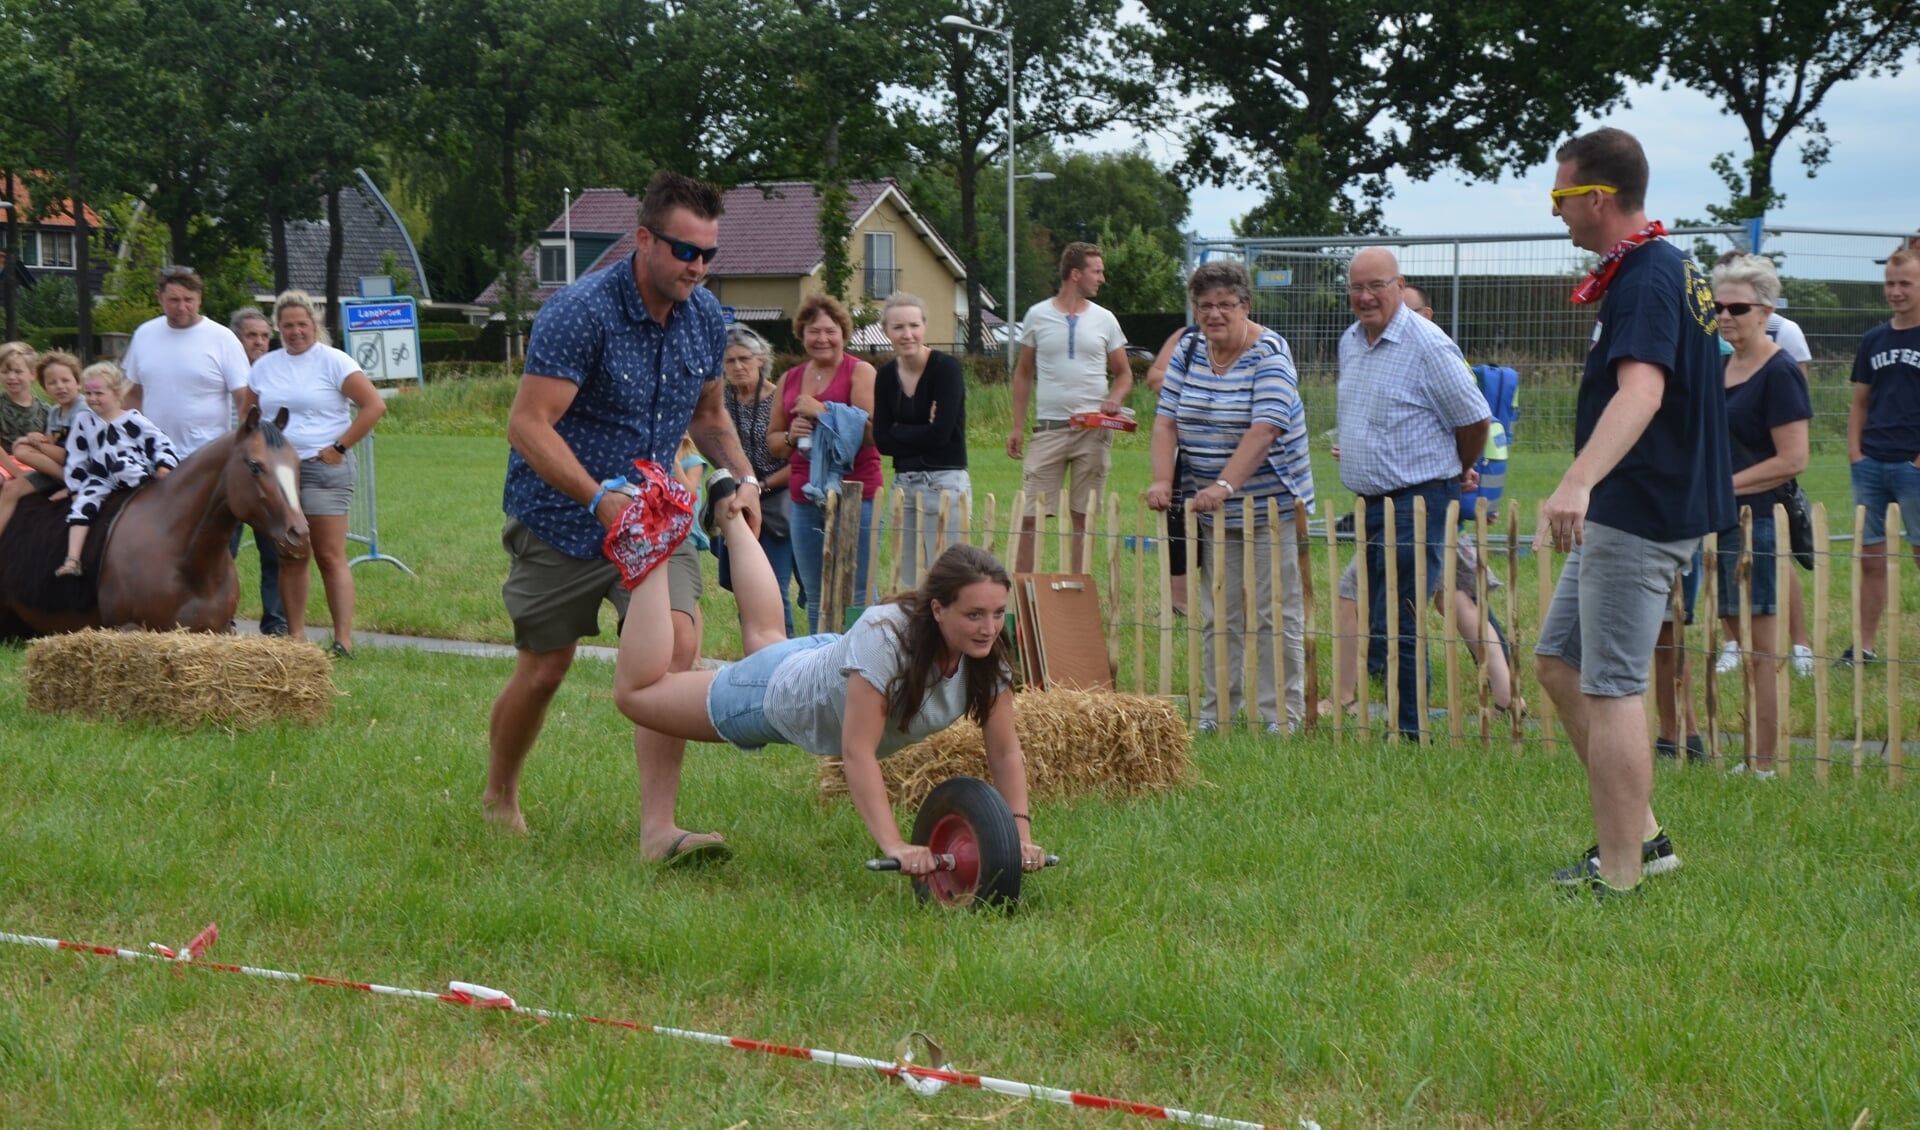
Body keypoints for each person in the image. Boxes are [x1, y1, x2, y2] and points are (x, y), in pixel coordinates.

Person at [482, 169, 760, 849]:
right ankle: (499, 793)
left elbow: (710, 415)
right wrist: (600, 499)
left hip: (657, 519)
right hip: (562, 516)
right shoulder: (581, 311)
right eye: (683, 250)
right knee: (546, 667)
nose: (696, 267)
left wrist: (740, 475)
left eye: (708, 254)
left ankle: (659, 831)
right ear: (643, 239)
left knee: (678, 648)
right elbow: (529, 425)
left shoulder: (704, 318)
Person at [609, 468, 1047, 874]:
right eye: (974, 615)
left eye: (997, 613)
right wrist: (893, 843)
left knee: (766, 638)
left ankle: (729, 511)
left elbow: (1005, 753)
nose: (989, 628)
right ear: (938, 609)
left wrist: (1019, 837)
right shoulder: (889, 640)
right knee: (638, 695)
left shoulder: (988, 658)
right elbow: (857, 752)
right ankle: (650, 547)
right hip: (777, 696)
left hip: (823, 660)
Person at [1536, 127, 1734, 896]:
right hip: (1641, 500)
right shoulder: (1661, 268)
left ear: (1596, 197)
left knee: (1611, 686)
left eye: (1560, 196)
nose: (1555, 212)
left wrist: (1577, 482)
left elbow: (1644, 392)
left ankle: (1620, 877)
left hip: (1639, 506)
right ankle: (1644, 838)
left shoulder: (1651, 277)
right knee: (1559, 664)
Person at [1322, 285, 1520, 722]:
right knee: (1455, 597)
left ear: (1424, 314)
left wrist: (1456, 469)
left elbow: (1470, 424)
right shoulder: (1383, 353)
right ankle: (1509, 698)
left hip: (1422, 504)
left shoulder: (1431, 352)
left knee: (1364, 595)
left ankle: (1350, 697)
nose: (1384, 317)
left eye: (1399, 308)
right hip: (1431, 502)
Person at [1146, 260, 1314, 733]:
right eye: (1205, 306)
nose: (1214, 314)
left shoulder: (1271, 355)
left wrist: (1224, 485)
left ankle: (1280, 714)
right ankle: (1219, 711)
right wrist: (1163, 480)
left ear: (1246, 306)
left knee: (1273, 610)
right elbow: (1165, 421)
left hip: (1270, 503)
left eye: (1225, 304)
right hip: (1211, 509)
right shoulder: (1190, 349)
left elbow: (1265, 430)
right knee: (1219, 610)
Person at [1710, 253, 1812, 778]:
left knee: (1765, 650)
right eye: (1718, 305)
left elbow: (1793, 458)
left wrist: (1720, 487)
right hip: (1721, 521)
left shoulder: (1779, 372)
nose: (1726, 315)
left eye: (1738, 307)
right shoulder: (1719, 366)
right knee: (1742, 642)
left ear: (1766, 310)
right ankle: (1749, 753)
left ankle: (1765, 764)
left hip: (1762, 522)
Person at [242, 290, 387, 656]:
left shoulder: (335, 361)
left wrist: (339, 448)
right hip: (281, 476)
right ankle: (295, 640)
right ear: (279, 329)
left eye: (302, 325)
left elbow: (373, 406)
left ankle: (343, 640)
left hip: (324, 469)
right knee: (292, 554)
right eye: (287, 326)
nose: (295, 332)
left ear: (314, 325)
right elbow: (249, 418)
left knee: (329, 554)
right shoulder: (265, 367)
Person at [1007, 241, 1131, 574]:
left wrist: (1115, 400)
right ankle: (1023, 593)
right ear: (1075, 274)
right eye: (1097, 271)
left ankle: (1077, 591)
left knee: (1083, 516)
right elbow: (1023, 374)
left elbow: (1124, 375)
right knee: (1030, 515)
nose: (1102, 278)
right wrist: (1017, 426)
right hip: (1049, 430)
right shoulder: (1037, 315)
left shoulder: (1105, 320)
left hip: (1093, 431)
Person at [766, 293, 881, 632]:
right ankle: (823, 667)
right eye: (814, 331)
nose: (822, 339)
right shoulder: (789, 379)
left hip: (856, 491)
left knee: (858, 590)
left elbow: (875, 433)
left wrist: (824, 414)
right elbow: (773, 442)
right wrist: (791, 435)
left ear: (843, 333)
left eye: (830, 331)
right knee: (817, 592)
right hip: (804, 495)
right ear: (802, 334)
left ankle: (867, 664)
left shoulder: (860, 372)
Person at [1839, 247, 1920, 667]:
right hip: (1871, 464)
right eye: (1890, 283)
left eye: (1905, 283)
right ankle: (1864, 648)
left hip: (1914, 466)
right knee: (1871, 559)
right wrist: (1856, 454)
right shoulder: (1874, 339)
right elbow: (1860, 403)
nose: (1896, 291)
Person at [872, 292, 969, 586]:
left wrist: (899, 429)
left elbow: (942, 436)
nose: (907, 334)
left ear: (924, 327)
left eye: (914, 325)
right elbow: (882, 441)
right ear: (886, 331)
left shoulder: (945, 369)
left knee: (949, 575)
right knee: (910, 578)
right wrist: (921, 428)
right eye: (898, 327)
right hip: (904, 483)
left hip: (946, 483)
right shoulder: (886, 376)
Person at [56, 362, 179, 577]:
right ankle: (73, 558)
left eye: (99, 393)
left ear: (118, 393)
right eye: (89, 393)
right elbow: (75, 455)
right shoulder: (83, 420)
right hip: (100, 477)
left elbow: (161, 443)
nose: (92, 398)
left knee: (126, 471)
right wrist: (75, 488)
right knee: (82, 505)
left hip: (132, 472)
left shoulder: (134, 420)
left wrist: (164, 464)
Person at [717, 324, 797, 635]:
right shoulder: (721, 403)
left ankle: (785, 653)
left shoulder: (781, 400)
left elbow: (800, 462)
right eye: (729, 361)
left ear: (761, 359)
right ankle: (756, 656)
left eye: (744, 359)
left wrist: (760, 485)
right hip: (739, 499)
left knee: (773, 586)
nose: (737, 367)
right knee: (743, 585)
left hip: (778, 499)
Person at [229, 306, 287, 636]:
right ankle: (224, 618)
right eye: (252, 335)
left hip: (265, 476)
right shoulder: (227, 374)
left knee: (273, 551)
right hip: (231, 477)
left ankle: (276, 623)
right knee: (225, 551)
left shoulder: (276, 374)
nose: (260, 342)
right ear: (236, 339)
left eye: (265, 336)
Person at [1144, 326, 1194, 616]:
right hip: (1180, 443)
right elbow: (1155, 377)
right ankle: (1179, 604)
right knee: (1176, 520)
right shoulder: (1184, 337)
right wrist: (1192, 384)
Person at [0, 341, 42, 458]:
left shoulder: (45, 411)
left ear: (33, 374)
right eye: (5, 372)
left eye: (18, 372)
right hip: (4, 464)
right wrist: (18, 473)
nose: (11, 377)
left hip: (34, 461)